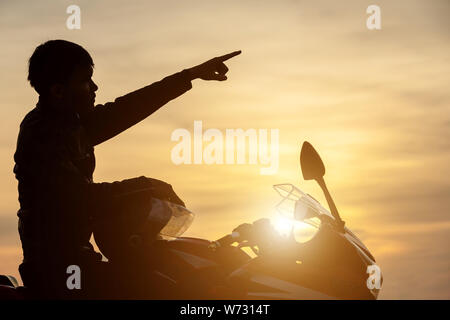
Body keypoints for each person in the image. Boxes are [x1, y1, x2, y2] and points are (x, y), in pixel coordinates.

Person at [13, 39, 241, 299]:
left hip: (75, 260)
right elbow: (76, 199)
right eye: (86, 81)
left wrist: (190, 76)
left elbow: (126, 108)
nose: (95, 87)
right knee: (160, 291)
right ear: (58, 91)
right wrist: (145, 186)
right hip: (57, 272)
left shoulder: (72, 124)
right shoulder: (42, 133)